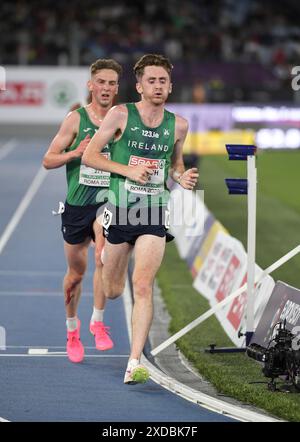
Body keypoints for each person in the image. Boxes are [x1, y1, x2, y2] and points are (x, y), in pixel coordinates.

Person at [82, 54, 198, 383]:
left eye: (163, 81)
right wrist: (128, 170)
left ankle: (134, 362)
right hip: (120, 210)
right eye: (152, 80)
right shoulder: (120, 114)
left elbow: (175, 164)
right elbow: (91, 156)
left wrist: (181, 176)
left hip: (152, 212)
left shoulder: (178, 125)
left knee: (143, 286)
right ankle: (103, 255)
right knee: (115, 290)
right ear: (140, 85)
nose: (158, 86)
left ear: (170, 86)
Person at [43, 59, 122, 363]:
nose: (106, 88)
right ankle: (72, 330)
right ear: (91, 85)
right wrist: (77, 153)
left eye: (112, 83)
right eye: (101, 82)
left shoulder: (123, 118)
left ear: (117, 87)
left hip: (109, 201)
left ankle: (98, 322)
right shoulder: (75, 120)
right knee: (76, 275)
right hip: (78, 204)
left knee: (102, 253)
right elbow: (48, 160)